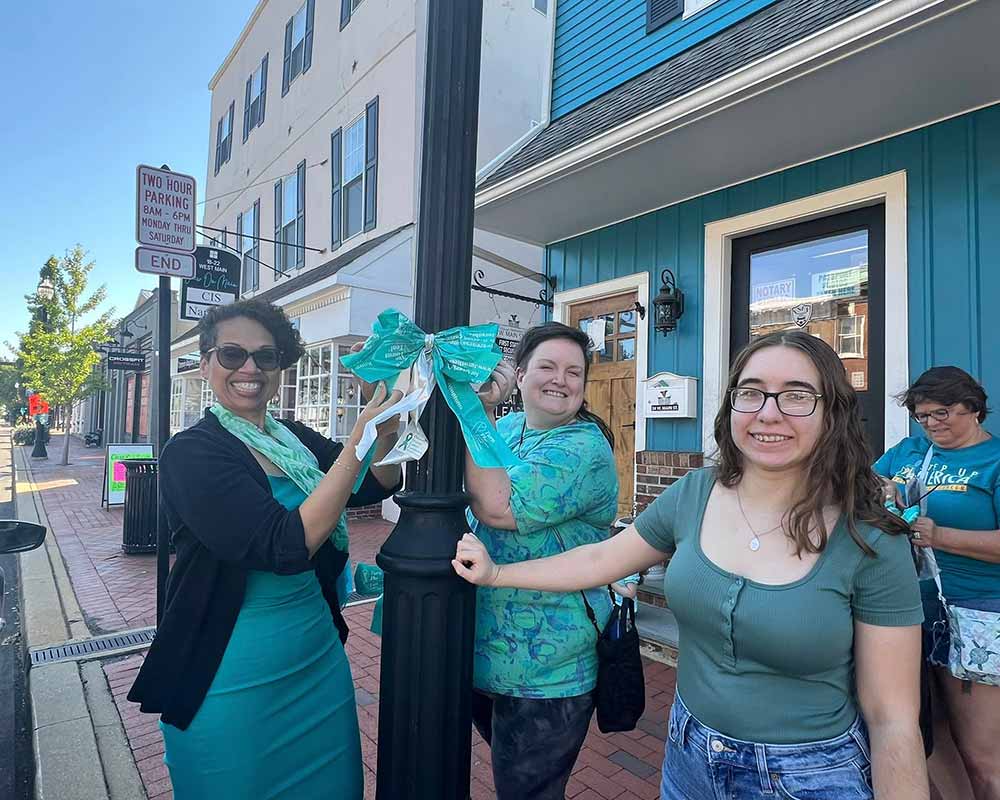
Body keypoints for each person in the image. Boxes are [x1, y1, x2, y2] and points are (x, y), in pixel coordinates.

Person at [456, 329, 929, 800]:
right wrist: (498, 574)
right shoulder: (696, 493)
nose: (769, 413)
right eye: (752, 392)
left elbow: (893, 720)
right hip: (688, 757)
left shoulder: (870, 538)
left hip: (808, 775)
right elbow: (602, 558)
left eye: (797, 396)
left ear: (833, 412)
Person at [128, 300, 402, 799]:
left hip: (316, 660)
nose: (250, 368)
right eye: (232, 354)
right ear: (206, 363)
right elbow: (284, 544)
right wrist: (357, 438)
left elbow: (375, 483)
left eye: (266, 356)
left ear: (280, 366)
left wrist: (385, 426)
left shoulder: (290, 438)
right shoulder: (191, 452)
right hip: (228, 673)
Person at [464, 321, 619, 800]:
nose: (561, 380)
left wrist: (476, 410)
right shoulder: (509, 427)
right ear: (521, 374)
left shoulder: (584, 447)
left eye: (574, 372)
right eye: (548, 366)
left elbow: (497, 507)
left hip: (547, 669)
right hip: (485, 652)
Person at [875, 366, 1000, 800]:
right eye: (922, 415)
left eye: (941, 412)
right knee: (930, 732)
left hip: (978, 612)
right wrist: (883, 488)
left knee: (982, 753)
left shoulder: (993, 461)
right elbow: (865, 480)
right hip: (911, 608)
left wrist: (942, 536)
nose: (931, 423)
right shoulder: (910, 450)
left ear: (974, 407)